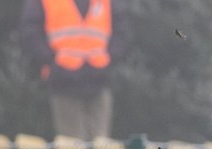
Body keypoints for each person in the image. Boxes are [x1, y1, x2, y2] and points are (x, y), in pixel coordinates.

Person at [19, 0, 130, 140]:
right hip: (64, 80)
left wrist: (109, 59)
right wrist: (52, 61)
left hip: (98, 78)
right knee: (73, 144)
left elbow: (122, 33)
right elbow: (30, 34)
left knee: (101, 143)